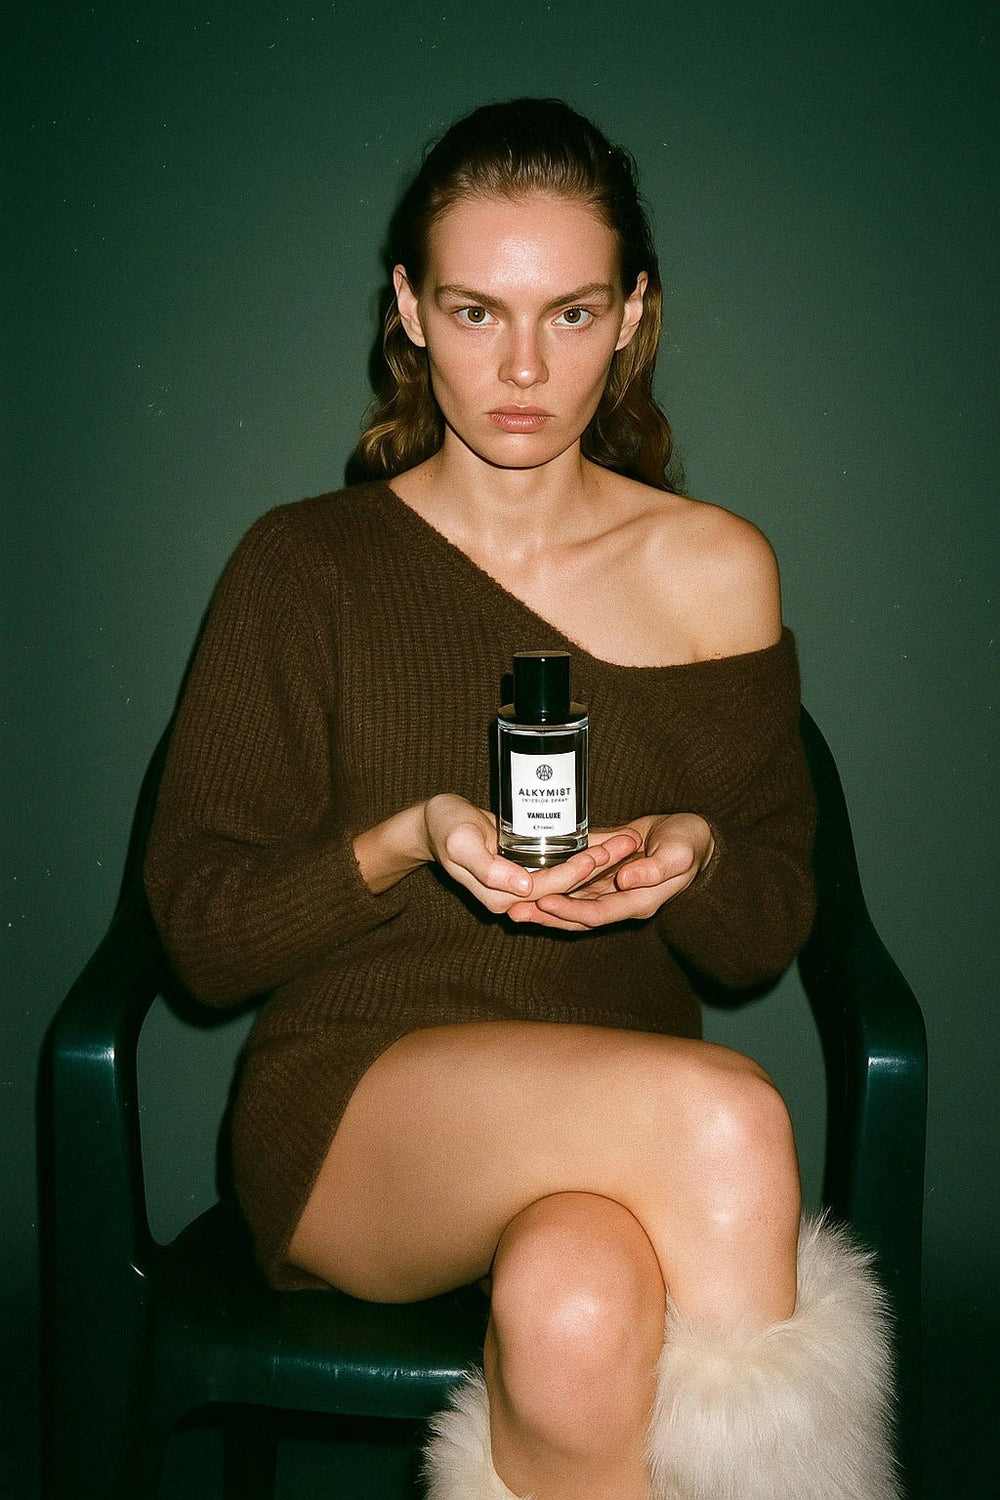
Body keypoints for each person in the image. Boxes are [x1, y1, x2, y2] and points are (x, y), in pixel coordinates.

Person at [145, 98, 897, 1500]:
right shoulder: (304, 566)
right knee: (733, 1122)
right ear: (409, 310)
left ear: (634, 317)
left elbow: (761, 934)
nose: (524, 368)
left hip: (619, 1116)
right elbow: (201, 934)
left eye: (572, 312)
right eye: (477, 311)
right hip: (360, 1114)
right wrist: (400, 841)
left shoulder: (717, 569)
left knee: (579, 1313)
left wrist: (696, 852)